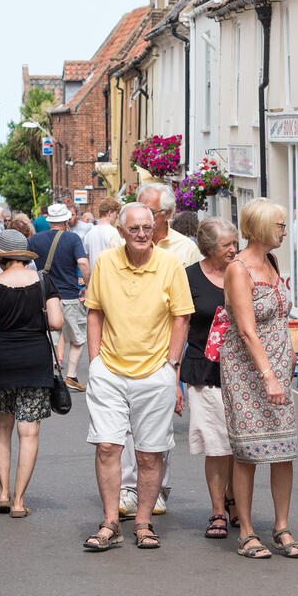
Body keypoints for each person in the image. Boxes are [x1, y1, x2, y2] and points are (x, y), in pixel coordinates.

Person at [82, 202, 193, 551]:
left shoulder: (170, 264)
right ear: (121, 232)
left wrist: (171, 367)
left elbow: (182, 317)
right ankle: (111, 521)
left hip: (155, 372)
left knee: (149, 453)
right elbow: (95, 312)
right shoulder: (106, 263)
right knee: (107, 446)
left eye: (147, 227)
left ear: (155, 229)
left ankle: (143, 522)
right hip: (110, 370)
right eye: (134, 229)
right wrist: (95, 362)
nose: (143, 234)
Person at [221, 198, 298, 559]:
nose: (285, 231)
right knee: (249, 451)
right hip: (248, 370)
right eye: (280, 225)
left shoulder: (271, 261)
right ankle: (248, 531)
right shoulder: (238, 269)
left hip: (278, 368)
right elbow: (247, 330)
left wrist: (285, 366)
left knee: (283, 450)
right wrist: (268, 376)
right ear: (263, 227)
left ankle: (282, 526)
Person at [116, 181, 201, 518]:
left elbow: (189, 310)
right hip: (123, 349)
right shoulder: (117, 242)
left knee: (158, 428)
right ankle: (127, 489)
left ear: (165, 215)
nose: (141, 220)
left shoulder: (184, 250)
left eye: (149, 212)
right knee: (123, 428)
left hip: (165, 352)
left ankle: (158, 490)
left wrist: (176, 364)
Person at [0, 229, 64, 517]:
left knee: (2, 428)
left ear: (0, 257)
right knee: (29, 432)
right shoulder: (43, 282)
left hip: (0, 363)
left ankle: (2, 492)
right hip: (35, 361)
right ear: (24, 257)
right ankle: (18, 501)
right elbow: (56, 321)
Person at [180, 217, 238, 538]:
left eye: (234, 243)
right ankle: (218, 510)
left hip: (241, 370)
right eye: (227, 245)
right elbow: (179, 325)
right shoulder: (189, 277)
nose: (233, 249)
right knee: (216, 444)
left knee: (237, 442)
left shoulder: (241, 272)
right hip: (203, 368)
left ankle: (234, 498)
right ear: (208, 248)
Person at [31, 203, 91, 391]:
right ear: (66, 220)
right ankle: (71, 375)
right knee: (78, 338)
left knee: (50, 337)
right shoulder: (73, 239)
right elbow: (82, 262)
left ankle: (49, 376)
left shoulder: (35, 240)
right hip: (69, 294)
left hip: (44, 295)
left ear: (49, 221)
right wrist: (88, 285)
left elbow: (25, 265)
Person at [84, 197, 121, 266]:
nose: (117, 217)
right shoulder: (115, 233)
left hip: (94, 275)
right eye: (116, 214)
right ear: (109, 212)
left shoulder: (89, 234)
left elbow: (87, 259)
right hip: (110, 275)